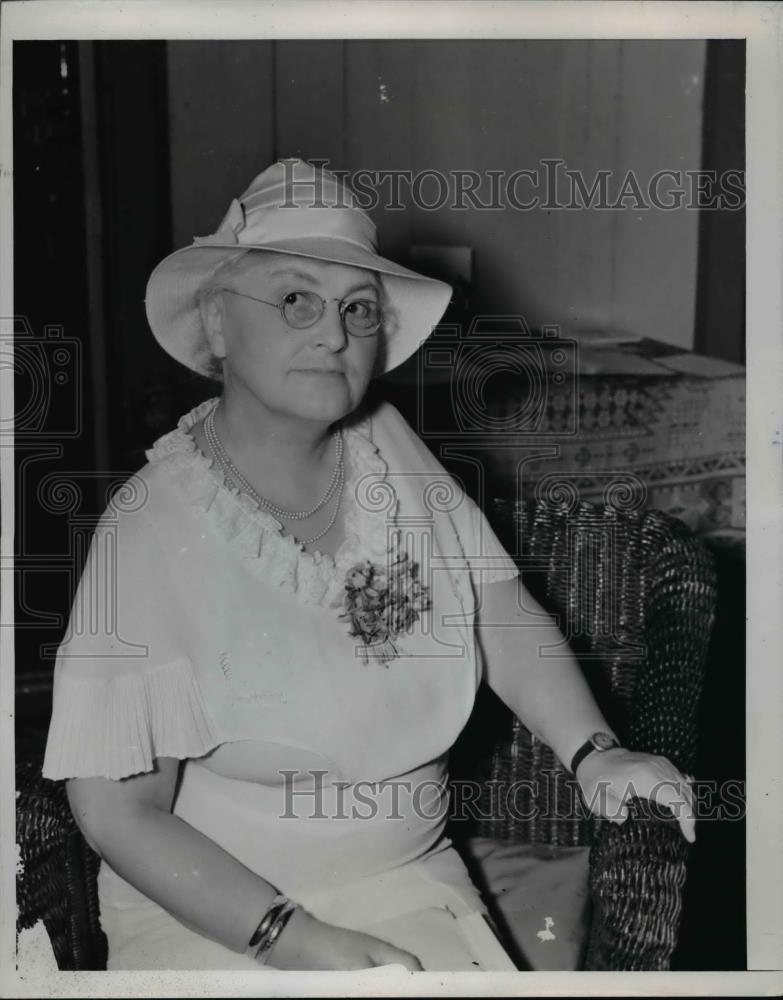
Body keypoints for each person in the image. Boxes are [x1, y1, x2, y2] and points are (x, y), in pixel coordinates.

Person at [43, 159, 695, 972]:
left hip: (405, 882)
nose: (334, 333)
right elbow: (118, 811)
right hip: (216, 917)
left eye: (358, 309)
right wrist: (291, 939)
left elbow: (495, 608)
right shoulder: (148, 527)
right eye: (295, 299)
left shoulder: (386, 444)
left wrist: (596, 751)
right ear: (215, 323)